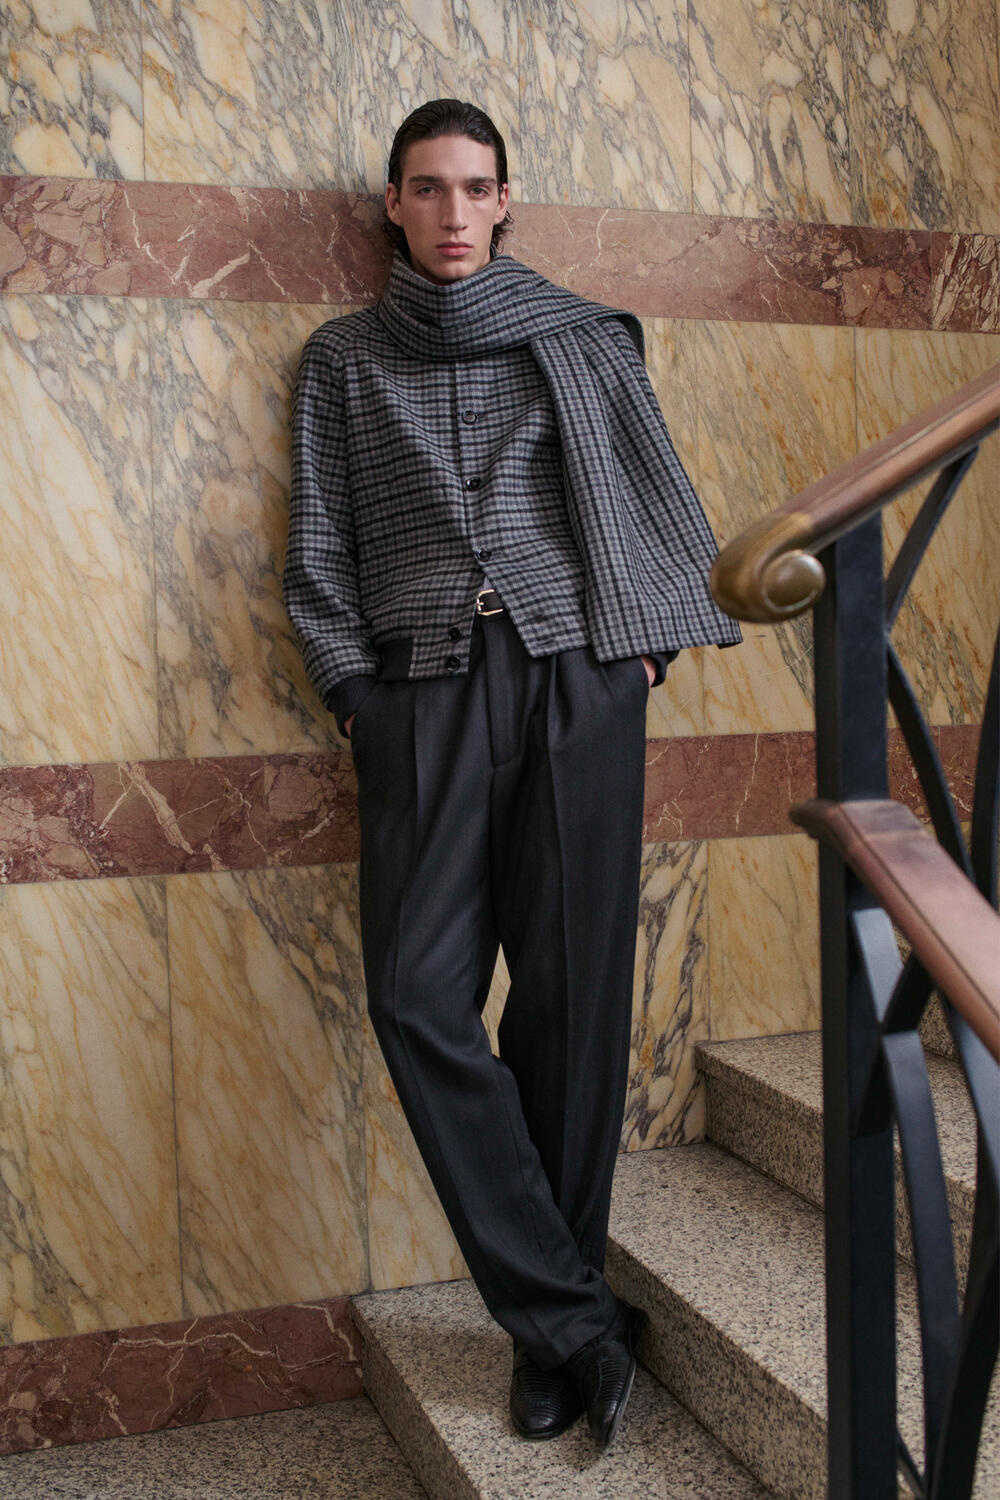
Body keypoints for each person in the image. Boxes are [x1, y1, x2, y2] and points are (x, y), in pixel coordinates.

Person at [283, 98, 741, 1452]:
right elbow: (318, 541)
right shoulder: (344, 360)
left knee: (570, 1001)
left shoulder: (584, 336)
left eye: (475, 187)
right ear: (392, 203)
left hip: (576, 680)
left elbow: (659, 503)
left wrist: (641, 659)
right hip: (420, 691)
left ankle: (553, 1336)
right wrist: (356, 697)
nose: (453, 211)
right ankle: (576, 1319)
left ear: (504, 200)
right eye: (427, 187)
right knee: (416, 995)